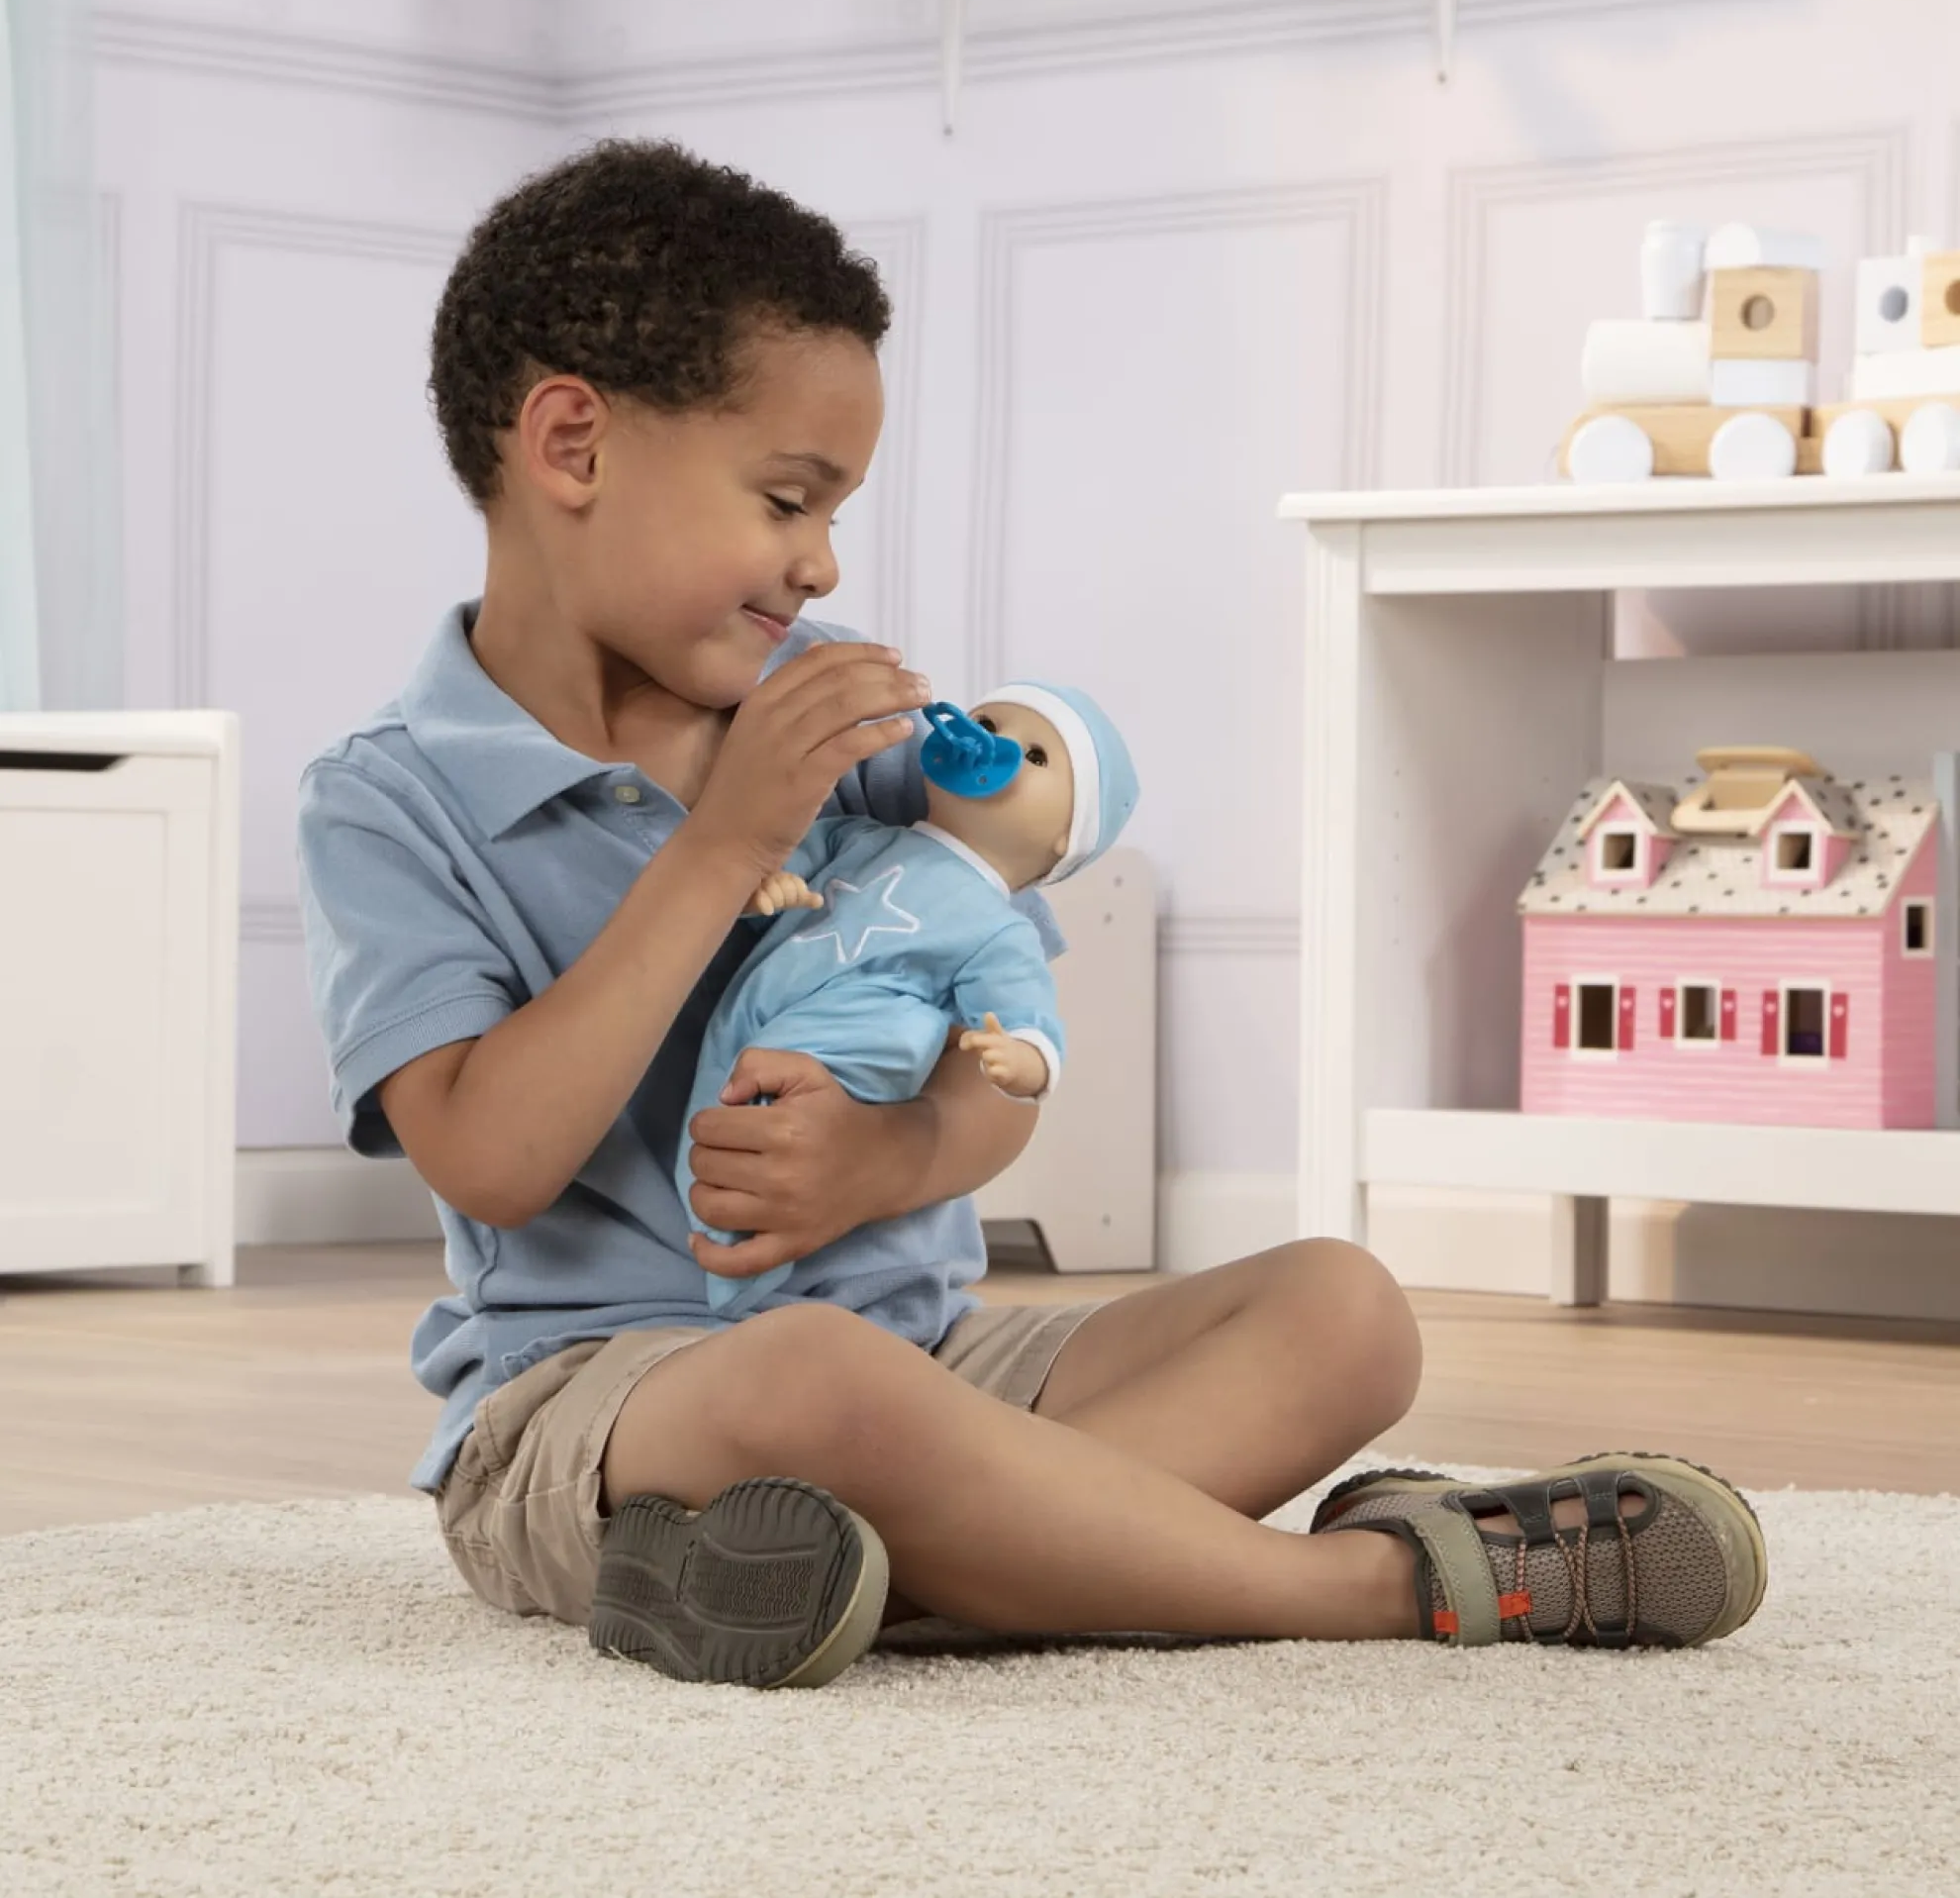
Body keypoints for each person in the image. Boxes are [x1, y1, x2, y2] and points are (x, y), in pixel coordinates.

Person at [296, 138, 1769, 1692]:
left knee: (1346, 1313)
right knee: (813, 1385)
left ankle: (838, 1574)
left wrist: (896, 1157)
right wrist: (725, 844)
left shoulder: (838, 711)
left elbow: (998, 1047)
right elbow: (493, 1159)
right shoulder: (388, 799)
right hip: (601, 1411)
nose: (821, 562)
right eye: (787, 499)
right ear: (572, 445)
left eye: (836, 512)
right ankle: (1370, 1586)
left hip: (930, 1360)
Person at [681, 683, 1137, 1315]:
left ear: (1067, 838)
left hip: (850, 1045)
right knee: (719, 1129)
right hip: (756, 1012)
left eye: (1035, 756)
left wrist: (1025, 1058)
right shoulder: (857, 838)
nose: (992, 743)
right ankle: (729, 1267)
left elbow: (1027, 1016)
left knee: (908, 1031)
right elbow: (779, 864)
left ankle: (751, 1266)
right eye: (987, 722)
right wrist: (771, 886)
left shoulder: (1001, 930)